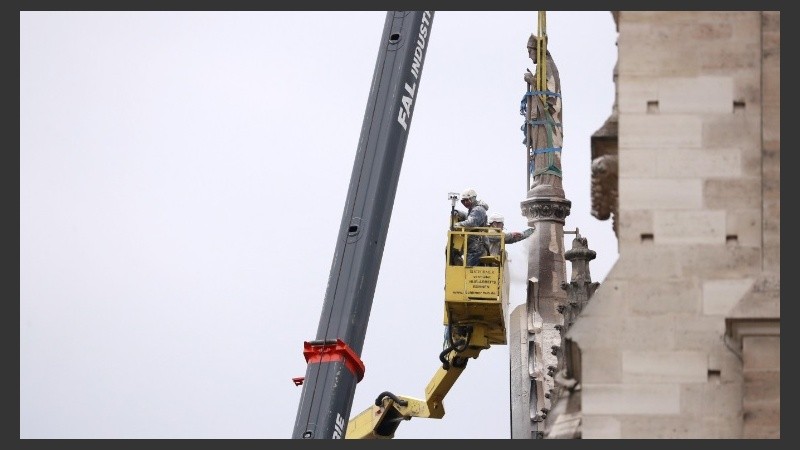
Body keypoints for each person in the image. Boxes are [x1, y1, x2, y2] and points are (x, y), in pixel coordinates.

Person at [521, 33, 563, 191]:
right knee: (539, 147)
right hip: (540, 119)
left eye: (530, 51)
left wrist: (532, 81)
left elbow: (550, 93)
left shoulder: (546, 64)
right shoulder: (542, 66)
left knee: (545, 146)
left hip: (547, 120)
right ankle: (540, 178)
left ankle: (547, 180)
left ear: (537, 50)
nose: (528, 55)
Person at [452, 188, 489, 266]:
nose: (465, 203)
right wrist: (458, 212)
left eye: (467, 200)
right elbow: (469, 217)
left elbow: (472, 222)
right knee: (453, 250)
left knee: (470, 268)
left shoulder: (478, 209)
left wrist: (458, 225)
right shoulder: (474, 209)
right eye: (463, 201)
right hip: (474, 242)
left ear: (473, 198)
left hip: (477, 244)